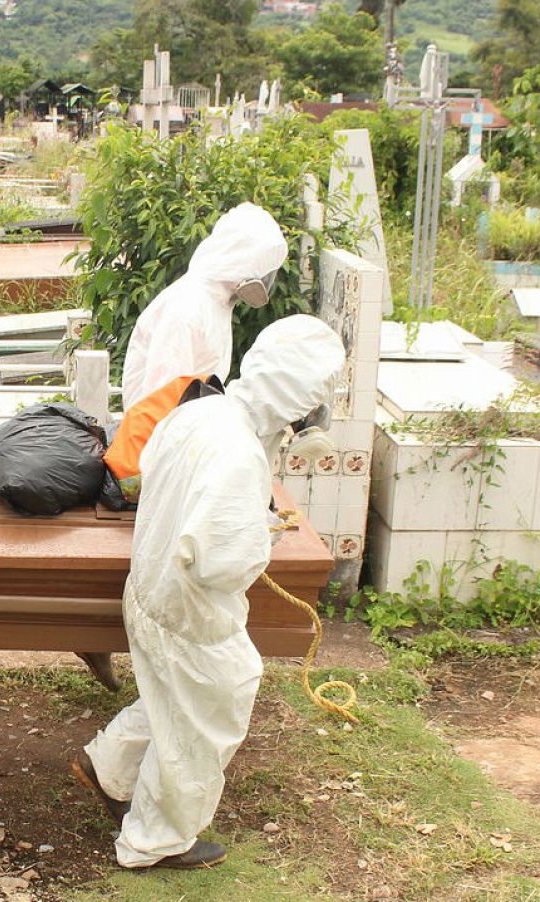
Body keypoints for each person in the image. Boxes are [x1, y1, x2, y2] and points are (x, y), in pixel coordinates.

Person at [73, 315, 344, 870]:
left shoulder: (201, 410)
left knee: (173, 698)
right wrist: (262, 532)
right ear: (301, 397)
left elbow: (151, 474)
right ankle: (156, 840)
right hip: (190, 611)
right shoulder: (239, 452)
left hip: (149, 588)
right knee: (210, 712)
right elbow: (221, 564)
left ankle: (110, 768)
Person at [119, 202, 289, 411]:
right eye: (264, 268)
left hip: (187, 429)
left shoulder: (216, 302)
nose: (265, 280)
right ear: (242, 257)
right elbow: (163, 399)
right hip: (155, 436)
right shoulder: (186, 306)